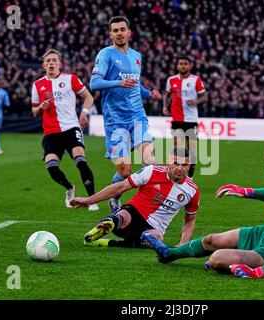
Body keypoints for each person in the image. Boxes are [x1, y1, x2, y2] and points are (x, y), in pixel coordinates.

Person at [142, 140, 264, 279]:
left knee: (217, 258)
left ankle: (221, 263)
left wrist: (258, 272)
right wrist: (246, 192)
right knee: (212, 240)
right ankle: (168, 253)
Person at [89, 16, 162, 213]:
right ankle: (115, 197)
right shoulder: (106, 55)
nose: (119, 33)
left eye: (122, 29)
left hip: (138, 116)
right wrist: (117, 82)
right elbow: (94, 84)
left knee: (150, 163)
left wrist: (149, 94)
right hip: (115, 121)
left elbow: (135, 84)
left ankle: (146, 210)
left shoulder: (136, 55)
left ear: (129, 32)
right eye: (115, 30)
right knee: (125, 170)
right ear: (110, 34)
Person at [70, 148, 200, 249]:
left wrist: (183, 244)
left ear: (189, 166)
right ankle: (110, 222)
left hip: (153, 228)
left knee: (157, 238)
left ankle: (110, 243)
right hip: (133, 214)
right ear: (168, 162)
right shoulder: (151, 171)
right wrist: (88, 201)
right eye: (176, 163)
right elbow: (120, 187)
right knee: (123, 216)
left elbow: (189, 221)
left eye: (185, 165)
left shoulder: (192, 191)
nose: (180, 168)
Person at [31, 49, 99, 210]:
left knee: (80, 160)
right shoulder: (37, 85)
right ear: (43, 65)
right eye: (48, 61)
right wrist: (41, 107)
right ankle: (69, 188)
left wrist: (84, 113)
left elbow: (89, 97)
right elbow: (34, 112)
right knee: (52, 167)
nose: (51, 63)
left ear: (60, 64)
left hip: (71, 128)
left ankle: (92, 200)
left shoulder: (71, 79)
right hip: (51, 133)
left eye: (54, 60)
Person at [162, 56, 207, 179]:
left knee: (191, 150)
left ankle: (190, 178)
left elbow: (204, 97)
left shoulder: (196, 80)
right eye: (181, 64)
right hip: (177, 120)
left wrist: (196, 101)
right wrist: (165, 107)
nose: (183, 66)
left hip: (191, 120)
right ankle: (177, 176)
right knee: (179, 150)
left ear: (190, 66)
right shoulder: (171, 80)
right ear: (177, 66)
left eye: (185, 64)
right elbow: (167, 94)